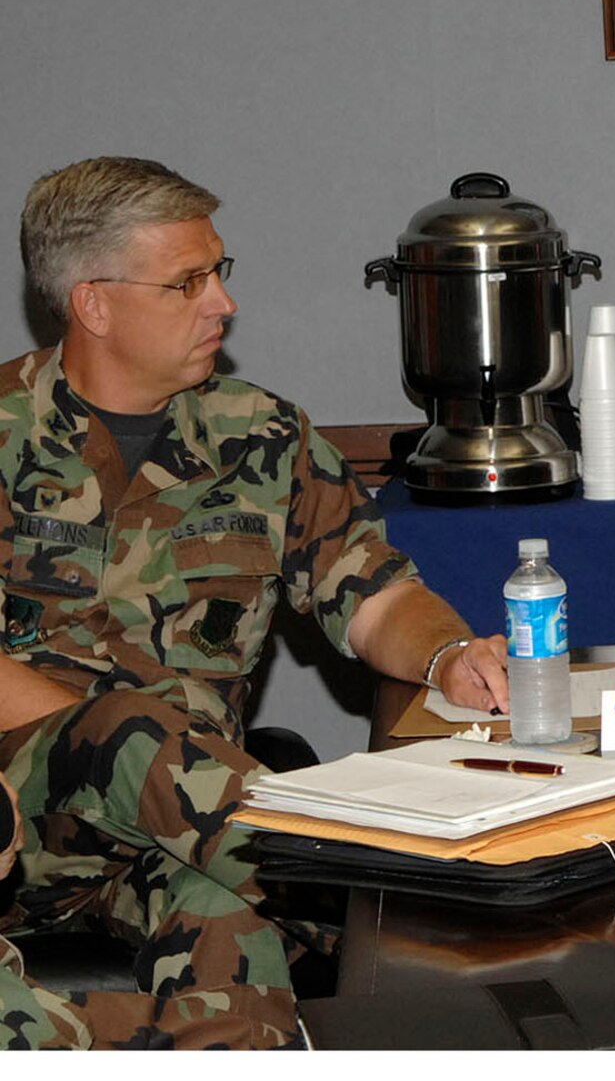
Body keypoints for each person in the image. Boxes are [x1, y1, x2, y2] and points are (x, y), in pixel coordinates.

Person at [0, 156, 511, 1049]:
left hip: (197, 836)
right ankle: (396, 879)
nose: (222, 304)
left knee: (232, 946)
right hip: (26, 823)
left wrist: (446, 656)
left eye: (218, 273)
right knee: (127, 730)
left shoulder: (263, 436)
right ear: (93, 302)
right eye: (187, 281)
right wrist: (118, 734)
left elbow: (376, 594)